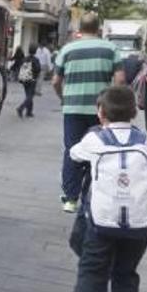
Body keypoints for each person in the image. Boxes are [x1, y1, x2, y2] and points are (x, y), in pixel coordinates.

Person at [50, 86, 147, 292]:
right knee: (125, 276)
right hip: (139, 223)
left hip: (102, 221)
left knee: (91, 273)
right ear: (133, 112)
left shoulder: (95, 140)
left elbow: (74, 155)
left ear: (101, 112)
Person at [53, 13, 124, 213]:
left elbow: (56, 81)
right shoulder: (110, 49)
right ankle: (92, 196)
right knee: (100, 151)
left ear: (79, 29)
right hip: (100, 110)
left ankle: (70, 198)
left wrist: (63, 98)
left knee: (72, 151)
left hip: (73, 108)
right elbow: (119, 80)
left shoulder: (67, 49)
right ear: (98, 28)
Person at [16, 43, 42, 118]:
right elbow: (38, 69)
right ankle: (21, 108)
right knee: (30, 96)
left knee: (28, 95)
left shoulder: (25, 59)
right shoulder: (35, 59)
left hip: (25, 79)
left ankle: (29, 111)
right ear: (35, 51)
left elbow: (20, 68)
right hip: (32, 80)